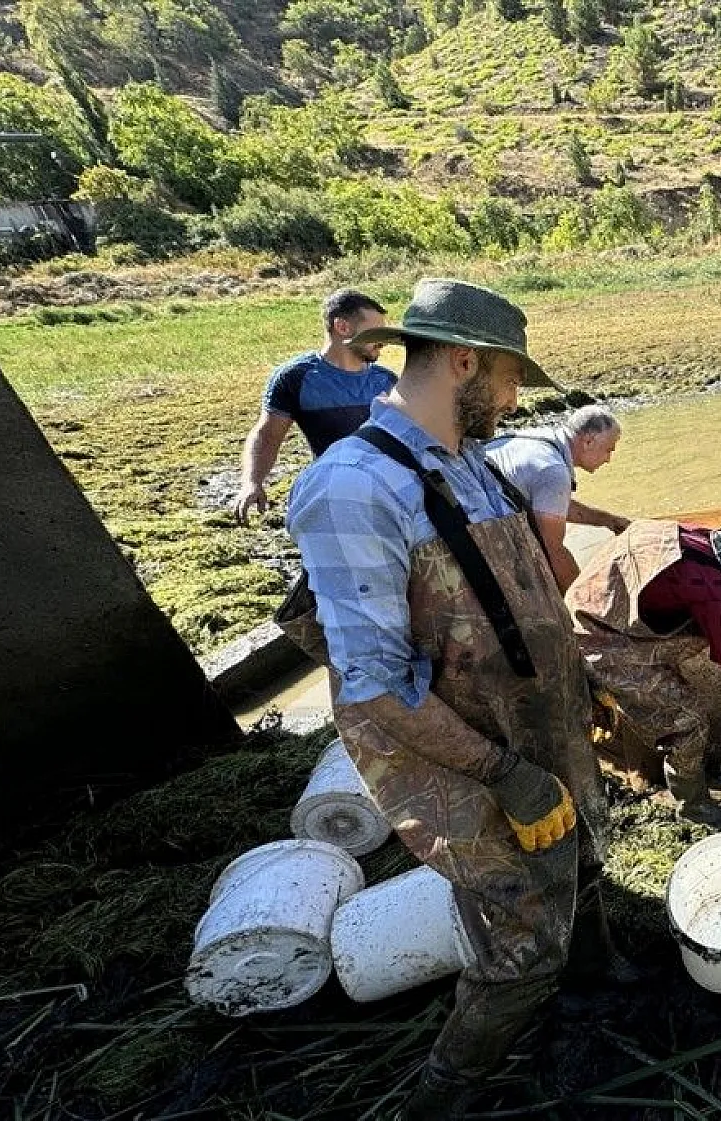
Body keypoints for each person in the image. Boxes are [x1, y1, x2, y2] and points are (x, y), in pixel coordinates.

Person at [278, 279, 617, 1120]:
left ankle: (597, 985)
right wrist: (504, 771)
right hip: (461, 753)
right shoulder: (355, 487)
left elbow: (521, 598)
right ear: (463, 361)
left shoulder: (473, 463)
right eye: (507, 380)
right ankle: (446, 1092)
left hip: (536, 723)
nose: (512, 399)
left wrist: (581, 681)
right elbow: (377, 687)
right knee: (521, 940)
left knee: (580, 855)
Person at [566, 521, 721, 822]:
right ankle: (694, 805)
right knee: (690, 717)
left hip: (593, 601)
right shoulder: (712, 593)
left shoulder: (708, 540)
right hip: (599, 640)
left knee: (688, 655)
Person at [233, 289, 397, 523]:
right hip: (333, 498)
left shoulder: (388, 381)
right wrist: (252, 482)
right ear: (342, 327)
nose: (382, 341)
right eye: (374, 332)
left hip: (389, 498)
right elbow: (267, 435)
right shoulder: (296, 378)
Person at [485, 406, 632, 590]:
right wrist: (581, 602)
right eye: (609, 450)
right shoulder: (553, 470)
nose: (608, 459)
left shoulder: (540, 440)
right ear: (588, 441)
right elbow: (552, 550)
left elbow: (551, 505)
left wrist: (609, 521)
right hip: (478, 534)